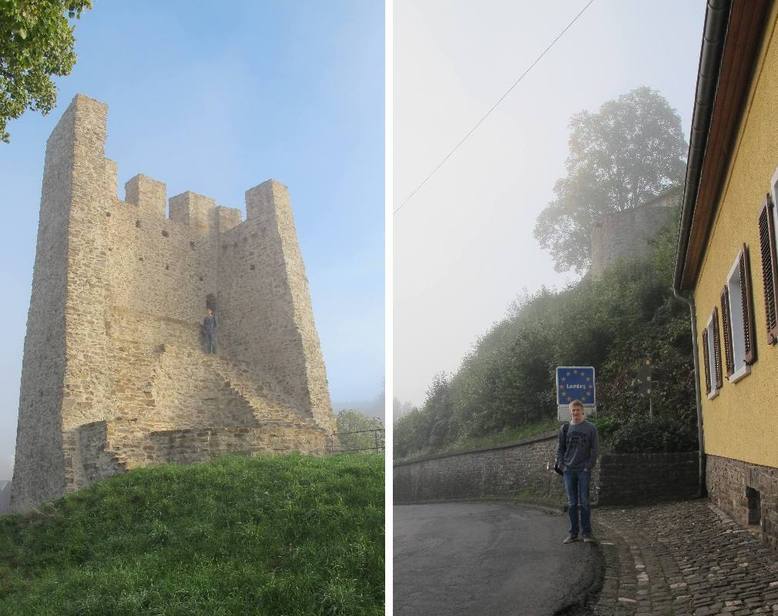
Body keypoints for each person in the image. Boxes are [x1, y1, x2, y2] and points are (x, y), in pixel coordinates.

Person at [556, 399, 598, 544]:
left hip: (583, 470)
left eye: (577, 410)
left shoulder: (591, 428)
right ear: (570, 412)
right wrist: (562, 465)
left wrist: (588, 466)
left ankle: (587, 533)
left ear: (582, 411)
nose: (575, 413)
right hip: (569, 470)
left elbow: (594, 449)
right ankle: (573, 534)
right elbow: (560, 449)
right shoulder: (565, 429)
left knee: (584, 502)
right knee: (572, 503)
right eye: (573, 410)